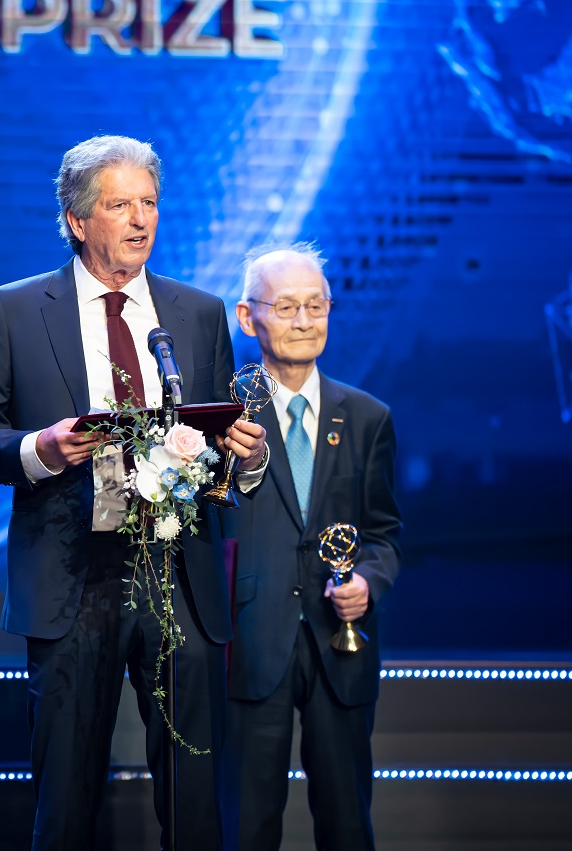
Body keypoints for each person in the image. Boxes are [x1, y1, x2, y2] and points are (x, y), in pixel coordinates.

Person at [0, 135, 268, 850]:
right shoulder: (15, 309)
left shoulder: (197, 312)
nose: (140, 219)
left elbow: (220, 443)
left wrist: (243, 460)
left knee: (194, 799)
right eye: (120, 204)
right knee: (65, 800)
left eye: (149, 202)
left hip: (178, 573)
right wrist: (41, 449)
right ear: (76, 219)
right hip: (73, 574)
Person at [225, 243, 402, 851]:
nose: (304, 321)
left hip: (339, 644)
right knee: (246, 824)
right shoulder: (223, 418)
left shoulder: (368, 417)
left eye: (316, 306)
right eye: (286, 307)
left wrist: (367, 582)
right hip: (250, 639)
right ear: (248, 318)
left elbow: (383, 533)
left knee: (348, 824)